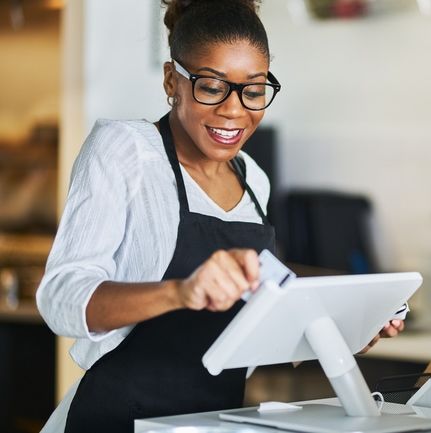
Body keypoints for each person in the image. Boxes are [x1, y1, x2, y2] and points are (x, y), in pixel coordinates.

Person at [36, 1, 402, 432]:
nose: (234, 110)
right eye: (211, 86)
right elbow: (60, 299)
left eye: (253, 89)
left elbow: (255, 330)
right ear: (172, 79)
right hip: (115, 419)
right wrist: (180, 292)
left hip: (212, 423)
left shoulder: (253, 179)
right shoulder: (126, 150)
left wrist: (346, 329)